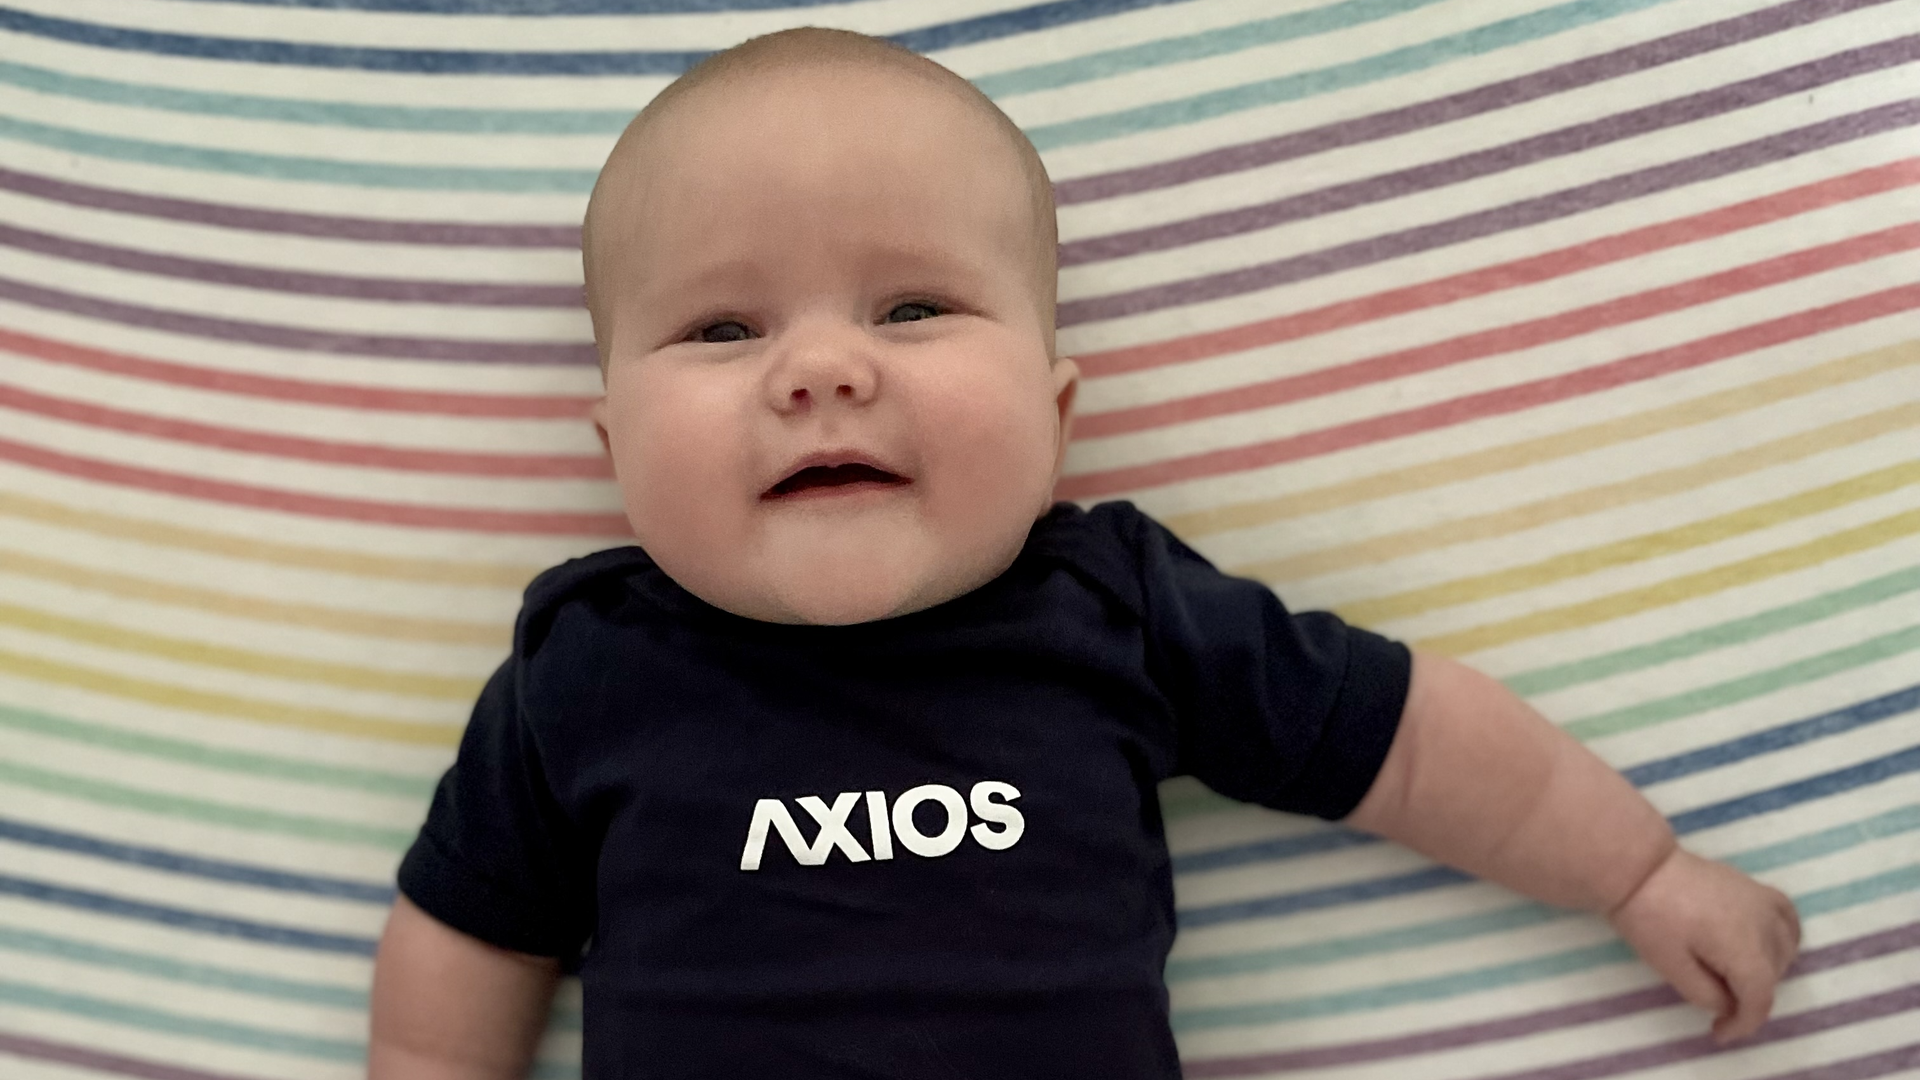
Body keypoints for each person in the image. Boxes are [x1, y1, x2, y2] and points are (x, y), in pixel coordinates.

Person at [366, 27, 1801, 1079]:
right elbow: (463, 952)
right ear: (612, 450)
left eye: (915, 307)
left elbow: (1410, 741)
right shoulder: (587, 673)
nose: (817, 369)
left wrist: (1636, 871)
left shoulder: (1114, 610)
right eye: (723, 330)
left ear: (1055, 422)